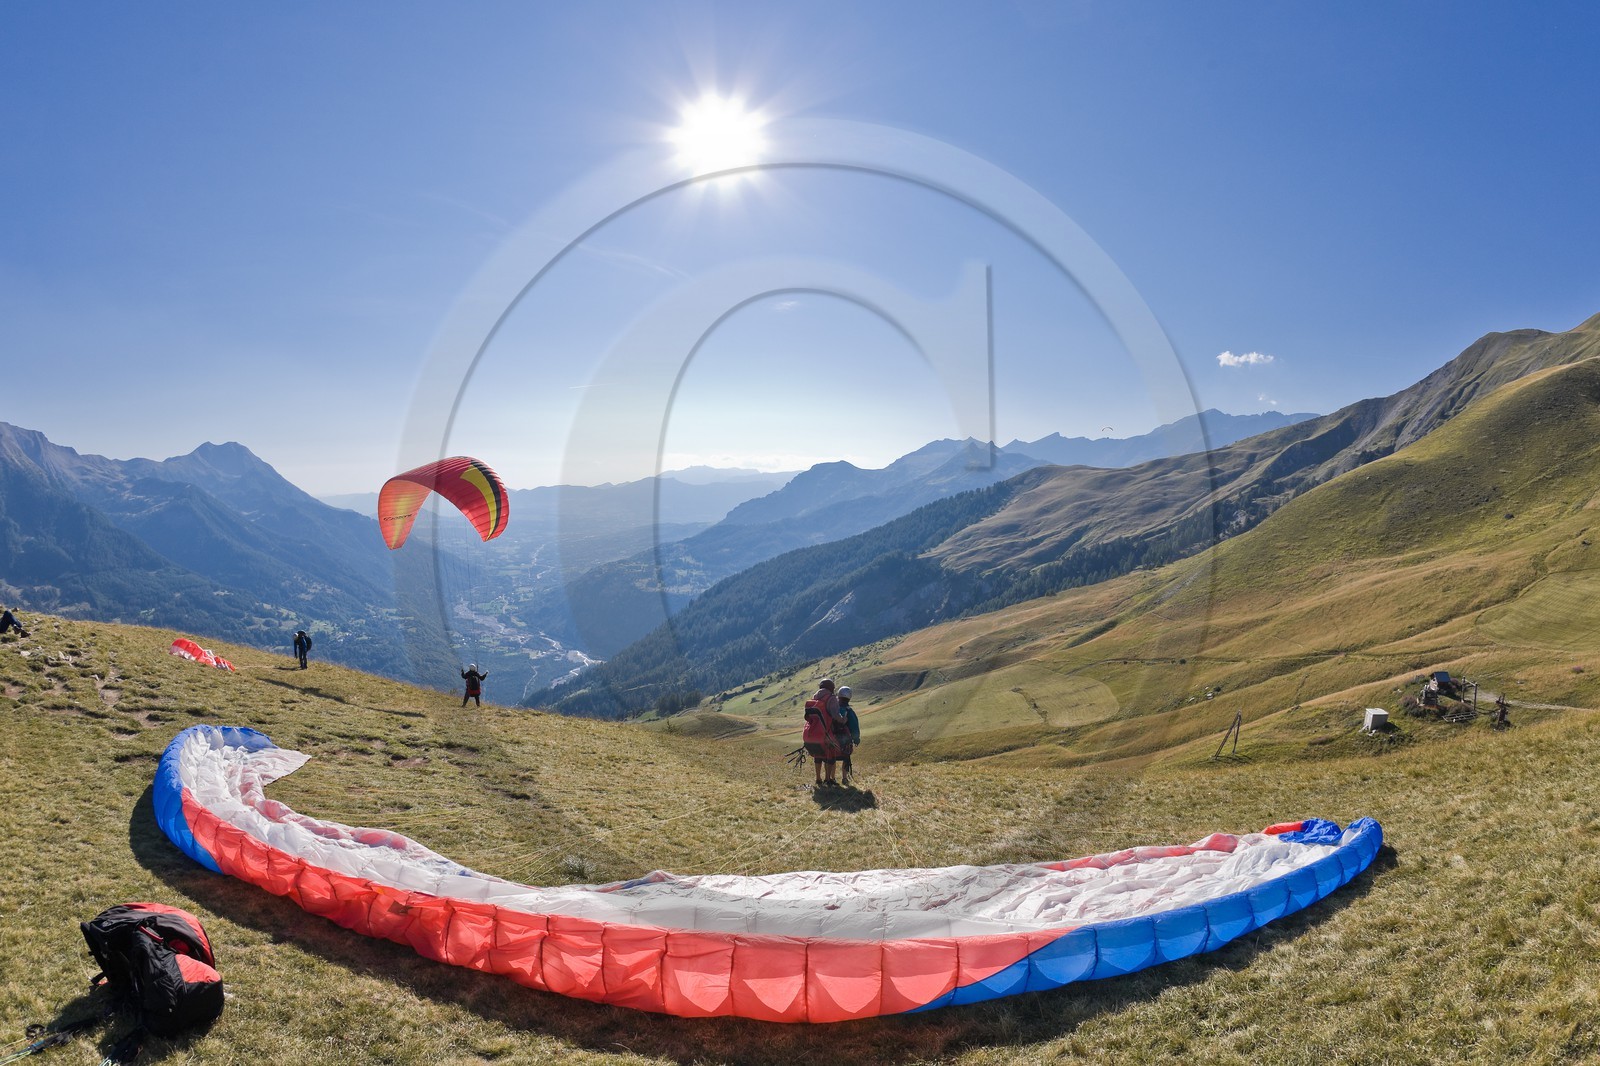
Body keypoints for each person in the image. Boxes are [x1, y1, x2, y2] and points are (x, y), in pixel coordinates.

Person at [802, 678, 845, 787]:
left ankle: (818, 778)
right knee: (830, 755)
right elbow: (835, 715)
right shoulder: (831, 698)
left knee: (818, 754)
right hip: (826, 732)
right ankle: (827, 779)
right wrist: (843, 719)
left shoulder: (814, 698)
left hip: (811, 733)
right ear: (831, 688)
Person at [835, 686, 862, 786]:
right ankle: (844, 778)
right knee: (846, 758)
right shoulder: (850, 712)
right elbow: (854, 727)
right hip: (845, 741)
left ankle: (831, 777)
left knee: (831, 758)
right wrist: (856, 739)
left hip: (831, 739)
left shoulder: (833, 709)